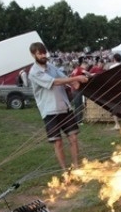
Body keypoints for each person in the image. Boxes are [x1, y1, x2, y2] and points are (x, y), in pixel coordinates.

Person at [27, 42, 89, 170]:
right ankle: (65, 171)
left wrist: (75, 83)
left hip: (65, 107)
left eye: (44, 52)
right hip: (49, 111)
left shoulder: (51, 66)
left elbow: (64, 78)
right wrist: (75, 78)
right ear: (33, 55)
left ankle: (76, 167)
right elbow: (54, 82)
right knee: (58, 143)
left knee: (73, 138)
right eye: (40, 53)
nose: (43, 55)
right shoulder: (34, 72)